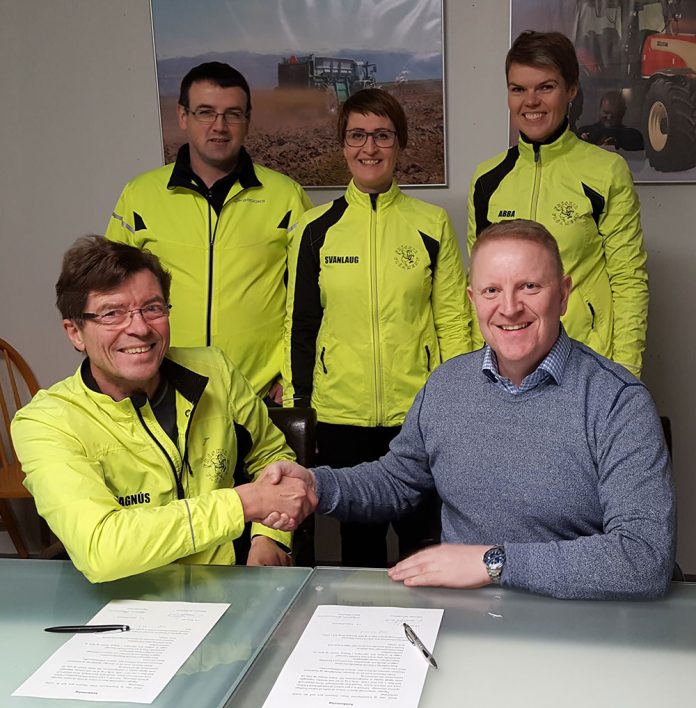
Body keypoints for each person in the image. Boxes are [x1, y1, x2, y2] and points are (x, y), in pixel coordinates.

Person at [266, 220, 675, 600]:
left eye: (530, 286)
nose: (509, 307)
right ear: (473, 300)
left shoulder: (618, 401)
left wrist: (492, 563)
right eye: (492, 290)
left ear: (564, 294)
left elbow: (644, 558)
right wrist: (316, 486)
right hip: (468, 615)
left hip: (580, 620)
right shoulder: (446, 385)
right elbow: (396, 481)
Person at [11, 236, 315, 583]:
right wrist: (245, 503)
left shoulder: (215, 370)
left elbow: (272, 457)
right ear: (75, 332)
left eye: (153, 308)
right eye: (112, 314)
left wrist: (268, 537)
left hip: (227, 586)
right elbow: (102, 550)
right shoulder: (45, 422)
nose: (140, 328)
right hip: (128, 600)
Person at [283, 88, 471, 567]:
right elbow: (300, 325)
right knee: (360, 553)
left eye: (383, 135)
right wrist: (301, 408)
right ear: (343, 145)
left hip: (418, 415)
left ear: (400, 144)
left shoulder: (431, 224)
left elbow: (453, 321)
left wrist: (456, 405)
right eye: (358, 135)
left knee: (424, 547)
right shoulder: (314, 229)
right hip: (341, 417)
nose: (370, 148)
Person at [105, 62, 312, 401]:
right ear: (183, 116)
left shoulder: (286, 196)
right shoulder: (139, 196)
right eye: (205, 112)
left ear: (247, 120)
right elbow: (109, 295)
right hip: (162, 391)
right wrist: (120, 372)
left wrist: (290, 378)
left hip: (257, 396)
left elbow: (307, 300)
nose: (220, 126)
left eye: (233, 114)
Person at [468, 31, 648, 377]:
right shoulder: (487, 179)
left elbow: (629, 280)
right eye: (518, 89)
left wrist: (625, 374)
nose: (530, 101)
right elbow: (480, 286)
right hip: (509, 370)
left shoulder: (606, 171)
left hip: (587, 367)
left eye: (545, 87)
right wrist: (480, 376)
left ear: (572, 90)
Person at [578, 90, 644, 151]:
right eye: (606, 112)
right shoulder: (585, 132)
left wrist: (616, 147)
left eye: (615, 114)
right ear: (599, 109)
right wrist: (584, 144)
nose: (609, 117)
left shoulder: (633, 137)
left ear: (623, 112)